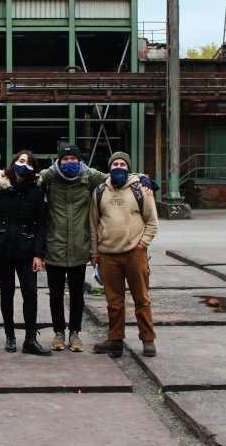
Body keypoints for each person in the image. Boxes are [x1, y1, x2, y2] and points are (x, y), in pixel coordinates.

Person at [39, 143, 108, 353]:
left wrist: (140, 179)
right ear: (59, 161)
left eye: (73, 159)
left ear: (80, 160)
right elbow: (22, 179)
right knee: (56, 294)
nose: (69, 163)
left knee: (77, 294)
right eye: (65, 160)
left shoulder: (89, 177)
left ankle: (75, 333)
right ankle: (59, 332)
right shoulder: (49, 176)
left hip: (79, 246)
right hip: (55, 247)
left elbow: (114, 177)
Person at [90, 151, 159, 358]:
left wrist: (142, 244)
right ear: (109, 167)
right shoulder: (100, 191)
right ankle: (115, 340)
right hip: (108, 255)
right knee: (114, 301)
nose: (118, 167)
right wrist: (94, 254)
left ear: (128, 167)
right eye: (114, 164)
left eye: (122, 164)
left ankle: (148, 340)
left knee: (141, 299)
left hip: (134, 254)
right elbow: (93, 225)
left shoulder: (141, 190)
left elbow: (152, 222)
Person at [0, 150, 51, 356]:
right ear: (13, 163)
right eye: (21, 160)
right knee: (7, 293)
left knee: (30, 293)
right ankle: (10, 336)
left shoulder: (38, 191)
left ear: (34, 168)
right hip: (2, 247)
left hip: (27, 248)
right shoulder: (0, 187)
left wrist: (39, 254)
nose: (24, 164)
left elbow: (42, 224)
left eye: (29, 162)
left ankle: (30, 339)